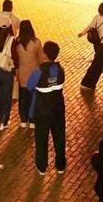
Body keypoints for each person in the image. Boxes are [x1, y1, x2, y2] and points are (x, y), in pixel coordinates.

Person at [27, 41, 66, 175]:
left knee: (42, 139)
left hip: (42, 112)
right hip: (58, 110)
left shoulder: (38, 72)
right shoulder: (60, 70)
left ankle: (42, 166)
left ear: (45, 54)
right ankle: (60, 166)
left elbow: (29, 86)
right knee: (59, 138)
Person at [16, 19, 44, 128]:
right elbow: (41, 60)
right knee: (33, 98)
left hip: (22, 74)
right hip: (34, 74)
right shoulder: (36, 42)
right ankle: (32, 121)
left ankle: (23, 120)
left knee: (22, 98)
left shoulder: (17, 42)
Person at [0, 17, 16, 130]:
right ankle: (4, 121)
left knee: (0, 95)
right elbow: (15, 57)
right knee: (7, 96)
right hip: (8, 70)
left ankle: (0, 118)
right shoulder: (12, 39)